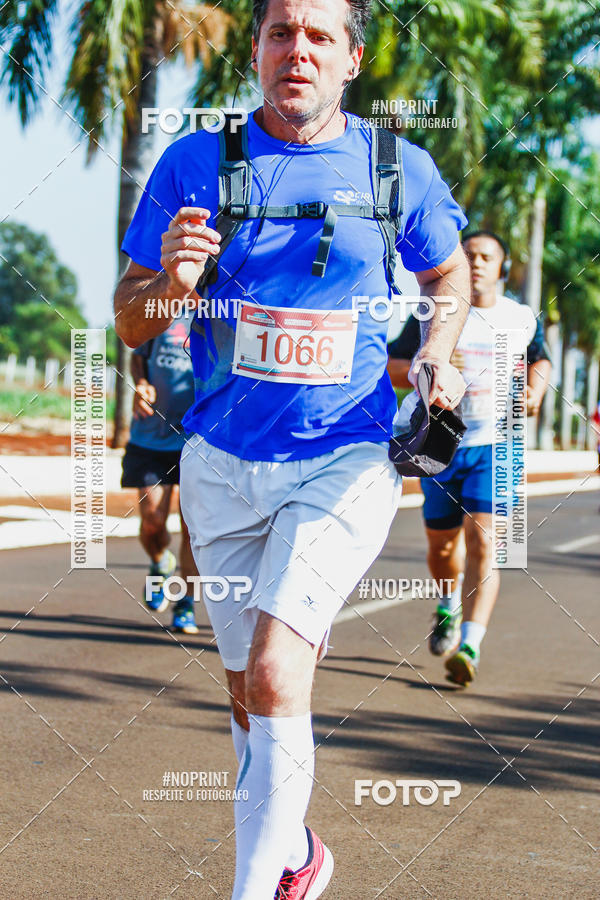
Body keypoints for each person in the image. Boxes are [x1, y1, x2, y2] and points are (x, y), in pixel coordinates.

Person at [114, 0, 471, 895]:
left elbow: (447, 271)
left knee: (277, 672)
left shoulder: (398, 168)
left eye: (319, 37)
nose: (297, 52)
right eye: (281, 33)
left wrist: (435, 350)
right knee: (246, 692)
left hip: (343, 458)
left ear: (352, 60)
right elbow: (128, 320)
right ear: (259, 52)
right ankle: (299, 856)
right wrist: (172, 282)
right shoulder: (195, 164)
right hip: (221, 463)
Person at [388, 230, 552, 687]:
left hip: (498, 444)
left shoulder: (519, 317)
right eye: (469, 256)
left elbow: (540, 360)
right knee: (442, 549)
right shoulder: (437, 309)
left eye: (486, 257)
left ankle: (470, 645)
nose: (476, 264)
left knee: (485, 542)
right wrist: (433, 364)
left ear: (502, 266)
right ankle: (448, 603)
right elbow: (393, 363)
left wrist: (536, 388)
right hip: (441, 445)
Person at [120, 312, 199, 634]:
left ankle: (185, 604)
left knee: (192, 530)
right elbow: (138, 357)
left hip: (199, 440)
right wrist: (140, 383)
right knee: (152, 520)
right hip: (151, 437)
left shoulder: (224, 314)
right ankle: (160, 561)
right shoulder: (161, 312)